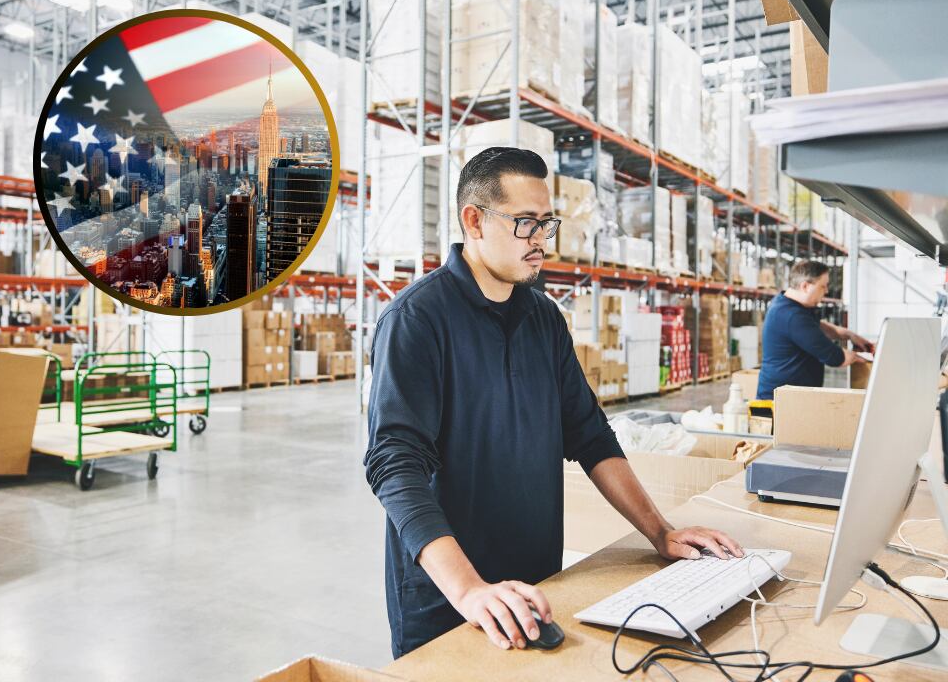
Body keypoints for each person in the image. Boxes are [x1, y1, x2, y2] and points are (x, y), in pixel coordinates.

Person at [364, 147, 743, 659]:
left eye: (547, 223)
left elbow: (590, 434)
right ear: (473, 221)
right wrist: (469, 590)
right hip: (449, 599)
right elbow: (395, 466)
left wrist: (662, 533)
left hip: (539, 586)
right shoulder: (417, 320)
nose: (541, 241)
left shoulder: (544, 319)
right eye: (525, 224)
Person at [756, 260, 873, 401]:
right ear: (805, 286)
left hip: (791, 397)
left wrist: (849, 335)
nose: (826, 291)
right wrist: (863, 356)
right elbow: (836, 358)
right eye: (822, 286)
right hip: (779, 402)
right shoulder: (792, 316)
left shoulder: (787, 303)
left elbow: (817, 326)